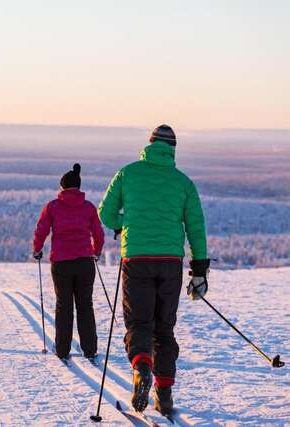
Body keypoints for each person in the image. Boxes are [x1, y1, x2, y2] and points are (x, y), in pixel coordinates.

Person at [98, 124, 209, 415]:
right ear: (172, 150)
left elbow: (105, 212)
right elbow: (196, 227)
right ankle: (165, 395)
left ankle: (141, 368)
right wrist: (199, 269)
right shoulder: (183, 182)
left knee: (139, 324)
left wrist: (124, 225)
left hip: (136, 259)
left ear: (148, 146)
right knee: (164, 329)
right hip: (171, 263)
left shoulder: (128, 173)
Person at [32, 163, 105, 361]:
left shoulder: (53, 207)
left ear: (62, 187)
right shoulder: (88, 207)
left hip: (61, 263)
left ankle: (62, 349)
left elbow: (41, 230)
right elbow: (98, 233)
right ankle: (90, 349)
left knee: (63, 305)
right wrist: (96, 252)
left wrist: (37, 249)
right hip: (85, 262)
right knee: (85, 305)